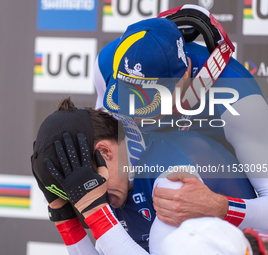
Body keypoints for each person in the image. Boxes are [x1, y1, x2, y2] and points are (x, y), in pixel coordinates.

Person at [94, 5, 268, 230]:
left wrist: (218, 207)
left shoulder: (240, 100)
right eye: (124, 97)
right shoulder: (107, 62)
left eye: (147, 103)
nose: (131, 114)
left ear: (185, 76)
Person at [31, 97, 267, 255]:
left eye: (83, 189)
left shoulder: (171, 176)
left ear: (104, 152)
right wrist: (64, 218)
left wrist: (95, 211)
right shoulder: (112, 181)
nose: (82, 201)